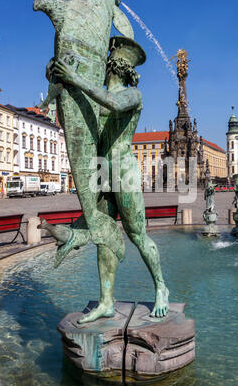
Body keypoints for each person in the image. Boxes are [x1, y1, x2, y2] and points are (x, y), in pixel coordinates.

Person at [53, 36, 169, 322]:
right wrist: (59, 86)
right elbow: (72, 120)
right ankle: (106, 301)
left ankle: (161, 288)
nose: (102, 66)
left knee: (138, 234)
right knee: (105, 238)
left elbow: (114, 104)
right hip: (103, 170)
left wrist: (76, 79)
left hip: (125, 169)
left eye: (106, 62)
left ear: (115, 67)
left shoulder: (132, 95)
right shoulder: (97, 96)